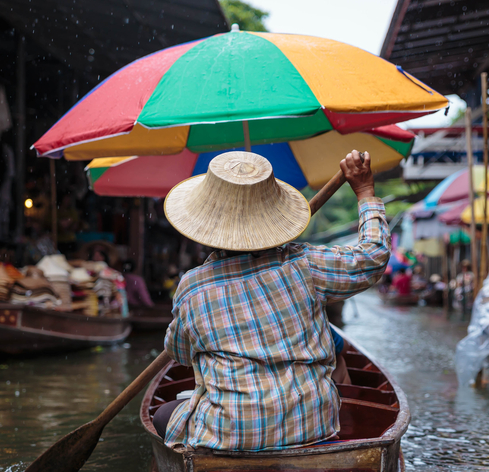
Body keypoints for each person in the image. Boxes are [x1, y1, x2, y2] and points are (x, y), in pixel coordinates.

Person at [154, 150, 387, 451]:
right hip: (312, 424)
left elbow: (180, 354)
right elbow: (372, 257)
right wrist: (365, 192)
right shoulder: (304, 264)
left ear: (205, 230)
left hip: (232, 435)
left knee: (162, 416)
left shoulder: (191, 287)